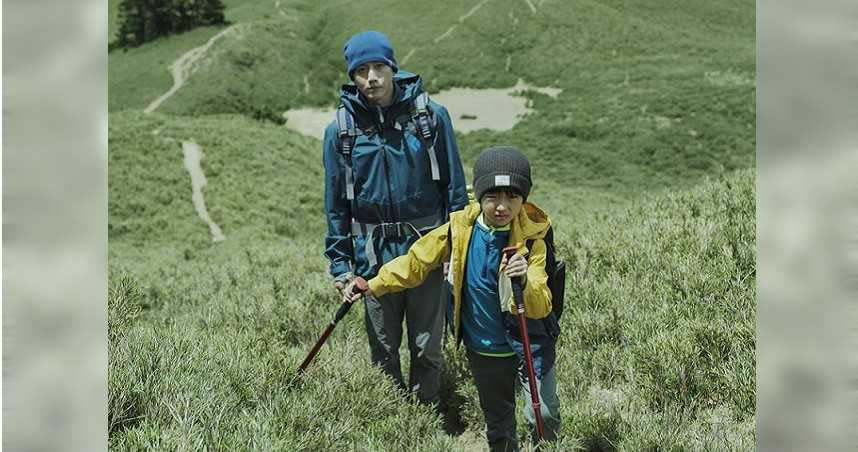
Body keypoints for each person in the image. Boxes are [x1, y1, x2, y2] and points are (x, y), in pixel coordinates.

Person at [344, 146, 562, 451]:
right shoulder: (460, 230)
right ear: (480, 196)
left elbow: (541, 303)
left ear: (523, 198)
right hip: (486, 350)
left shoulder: (534, 238)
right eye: (493, 197)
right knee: (498, 423)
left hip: (531, 343)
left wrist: (524, 280)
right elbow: (416, 261)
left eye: (512, 197)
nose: (502, 206)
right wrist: (373, 283)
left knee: (544, 415)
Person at [322, 30, 468, 409]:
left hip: (427, 247)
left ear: (392, 68)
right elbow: (336, 205)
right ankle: (393, 422)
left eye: (378, 68)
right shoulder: (340, 132)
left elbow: (455, 186)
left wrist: (457, 245)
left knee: (426, 345)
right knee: (383, 348)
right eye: (362, 70)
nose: (371, 78)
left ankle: (427, 417)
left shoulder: (431, 117)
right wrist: (341, 266)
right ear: (352, 77)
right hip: (372, 256)